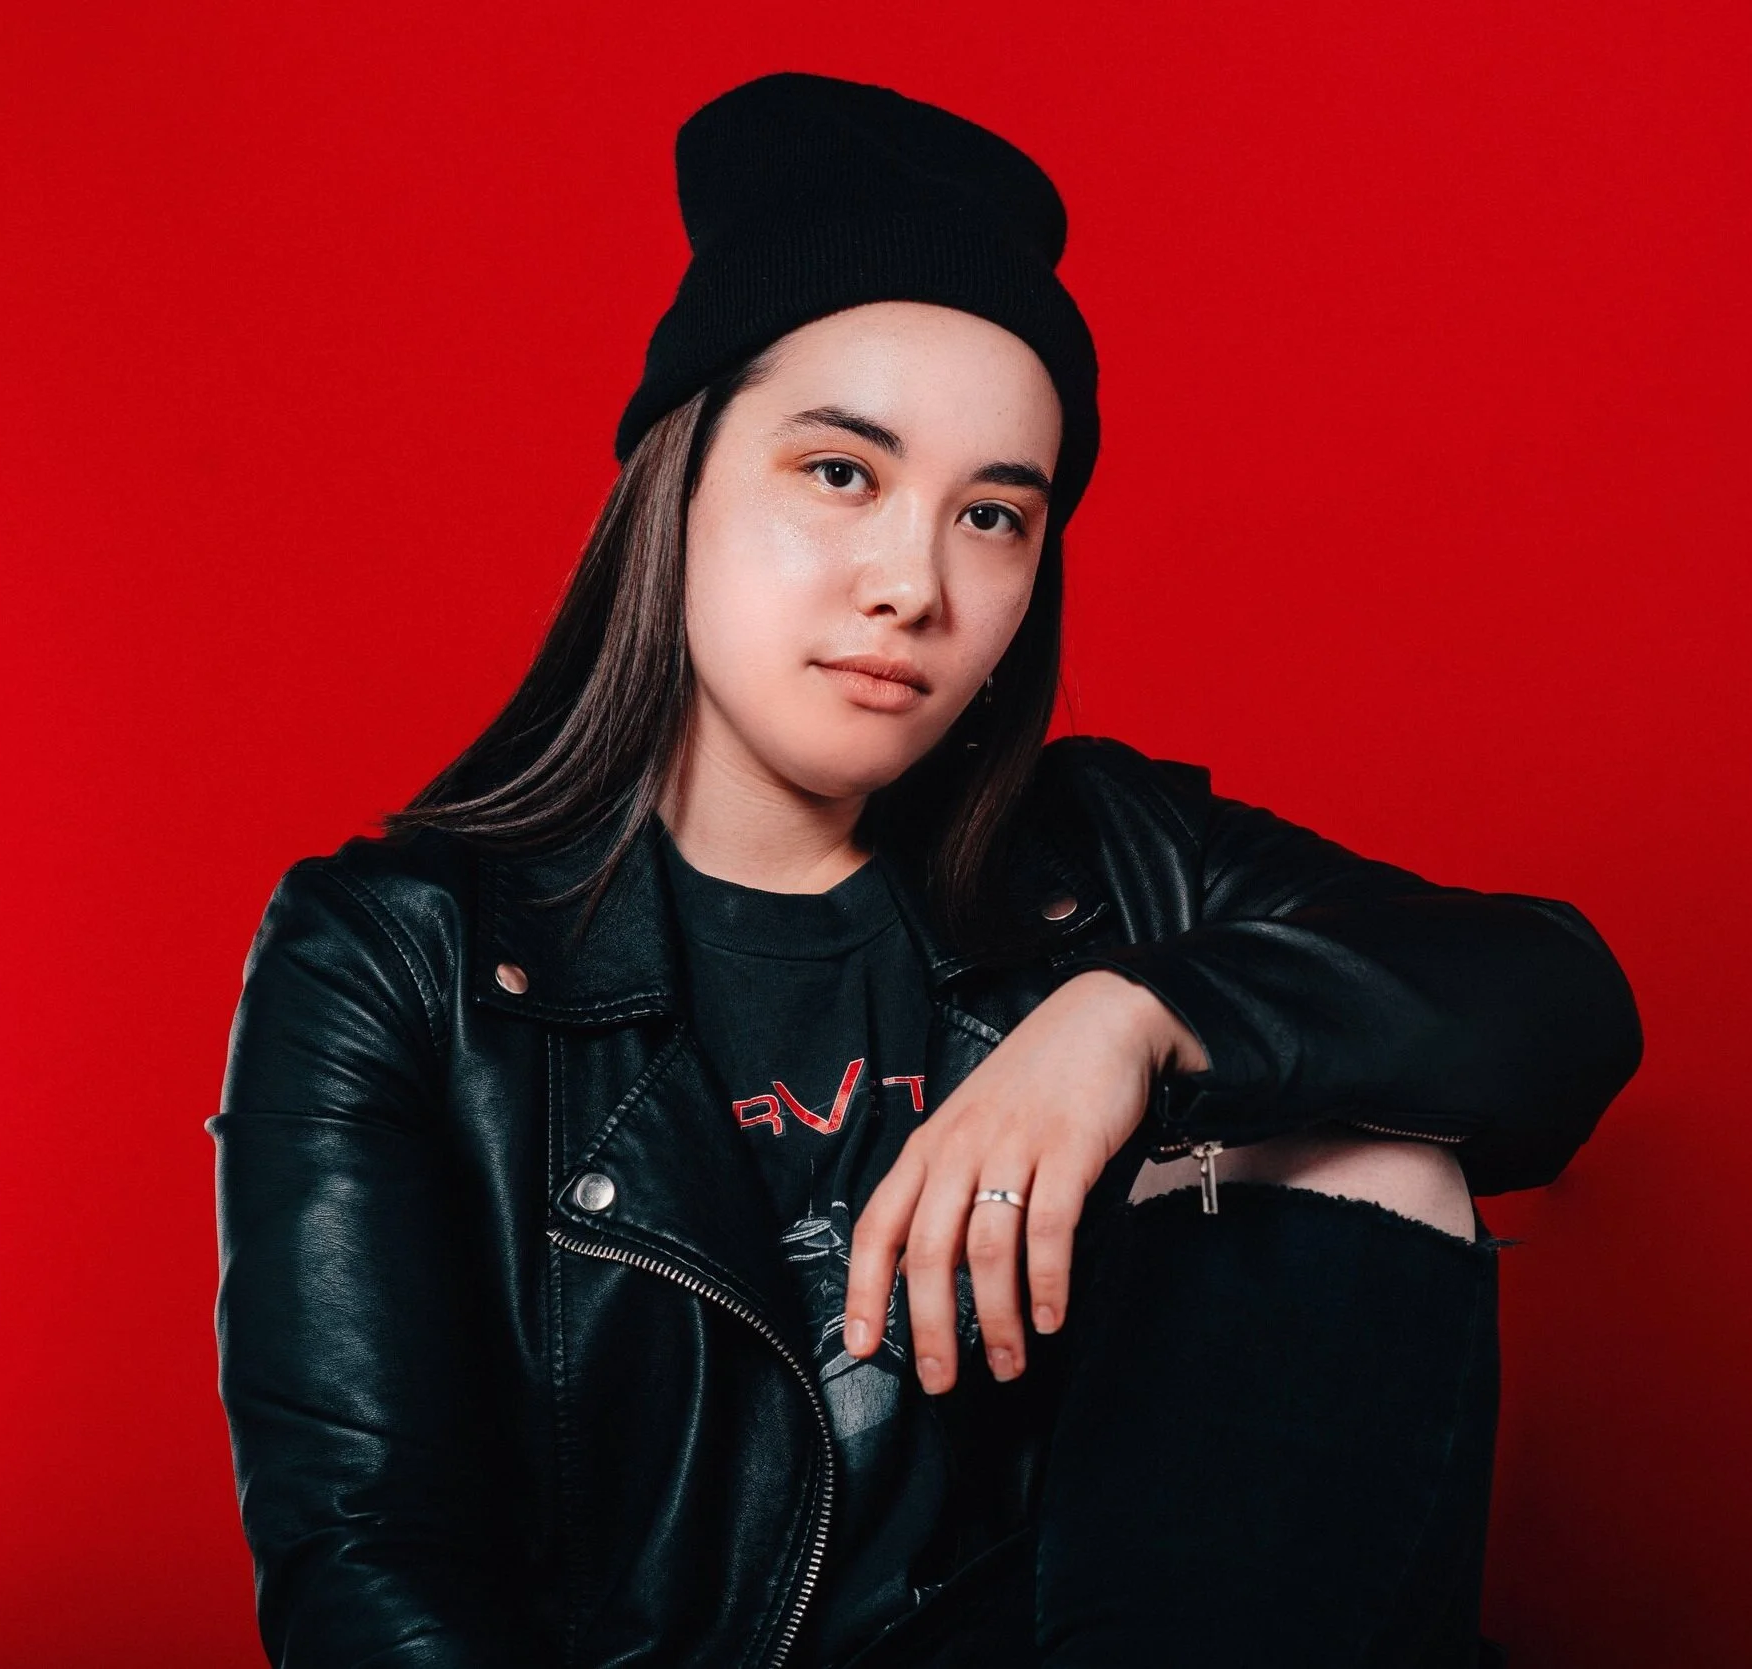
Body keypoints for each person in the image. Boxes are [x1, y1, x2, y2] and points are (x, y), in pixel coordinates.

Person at [211, 72, 1643, 1669]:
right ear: (678, 483)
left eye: (994, 516)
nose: (914, 583)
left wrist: (1129, 1021)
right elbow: (363, 1561)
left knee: (1369, 1153)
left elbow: (1558, 1007)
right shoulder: (401, 955)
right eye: (841, 473)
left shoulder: (1106, 867)